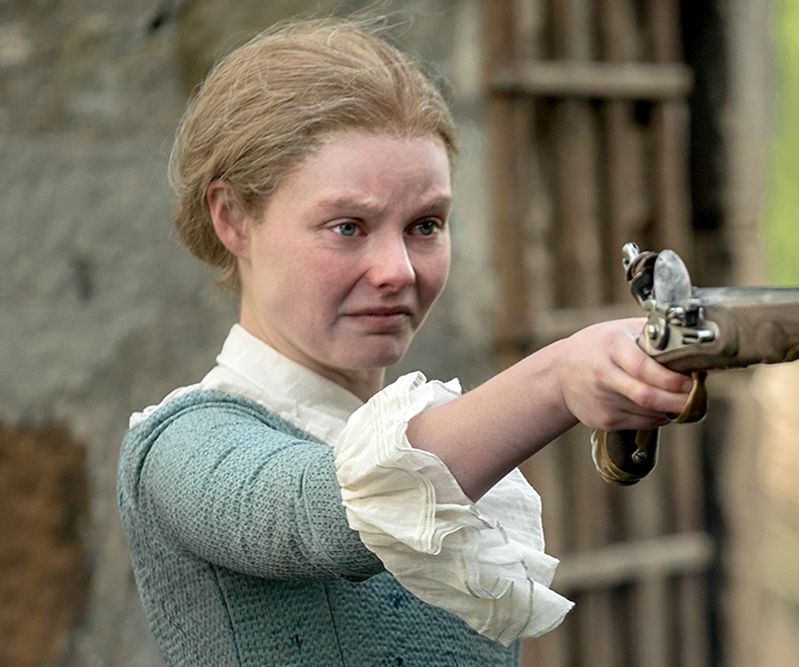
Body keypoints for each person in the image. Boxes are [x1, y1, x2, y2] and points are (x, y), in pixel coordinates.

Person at [117, 16, 696, 666]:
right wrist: (559, 378)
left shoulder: (441, 447)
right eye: (347, 226)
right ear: (232, 218)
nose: (397, 269)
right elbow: (321, 513)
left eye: (425, 224)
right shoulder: (177, 449)